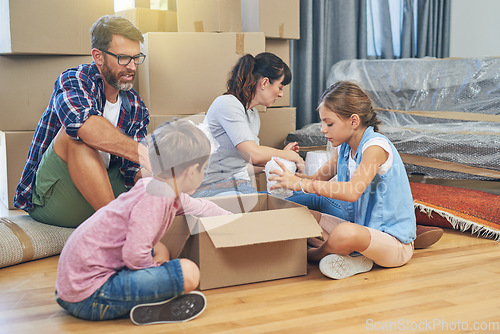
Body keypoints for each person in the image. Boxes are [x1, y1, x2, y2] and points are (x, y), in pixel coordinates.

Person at [55, 120, 233, 324]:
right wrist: (156, 271)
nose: (204, 173)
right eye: (204, 168)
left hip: (74, 287)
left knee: (162, 251)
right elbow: (134, 255)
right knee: (189, 272)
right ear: (191, 171)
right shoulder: (158, 197)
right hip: (90, 296)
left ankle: (150, 298)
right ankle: (152, 303)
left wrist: (237, 221)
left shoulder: (161, 188)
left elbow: (203, 208)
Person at [269, 81, 417, 280]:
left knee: (345, 233)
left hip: (392, 243)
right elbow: (314, 180)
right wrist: (290, 176)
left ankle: (313, 254)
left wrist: (300, 184)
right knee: (298, 214)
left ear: (354, 121)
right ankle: (353, 257)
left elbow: (351, 191)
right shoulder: (344, 148)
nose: (323, 129)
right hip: (362, 228)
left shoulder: (375, 148)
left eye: (329, 123)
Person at [14, 15, 151, 228]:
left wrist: (161, 178)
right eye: (123, 58)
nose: (132, 67)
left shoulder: (136, 105)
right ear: (98, 56)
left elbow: (132, 169)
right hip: (56, 196)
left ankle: (122, 220)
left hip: (102, 195)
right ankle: (117, 229)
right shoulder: (74, 80)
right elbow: (84, 127)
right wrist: (145, 154)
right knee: (75, 137)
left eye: (136, 58)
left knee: (151, 174)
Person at [192, 52, 305, 198]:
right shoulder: (227, 104)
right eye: (281, 87)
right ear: (264, 83)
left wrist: (279, 160)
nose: (281, 94)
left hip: (239, 187)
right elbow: (254, 154)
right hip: (212, 190)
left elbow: (243, 165)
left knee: (306, 200)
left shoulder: (252, 115)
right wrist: (290, 156)